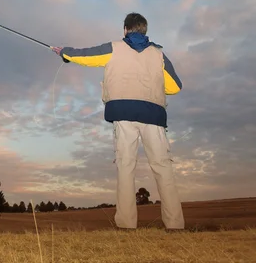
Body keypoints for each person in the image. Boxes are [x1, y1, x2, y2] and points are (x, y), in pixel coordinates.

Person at [50, 12, 184, 231]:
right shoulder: (159, 54)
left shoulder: (114, 48)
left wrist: (64, 53)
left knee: (125, 167)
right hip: (154, 116)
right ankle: (175, 225)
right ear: (144, 30)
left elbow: (85, 56)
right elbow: (175, 87)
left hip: (123, 114)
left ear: (125, 29)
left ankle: (126, 225)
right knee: (163, 168)